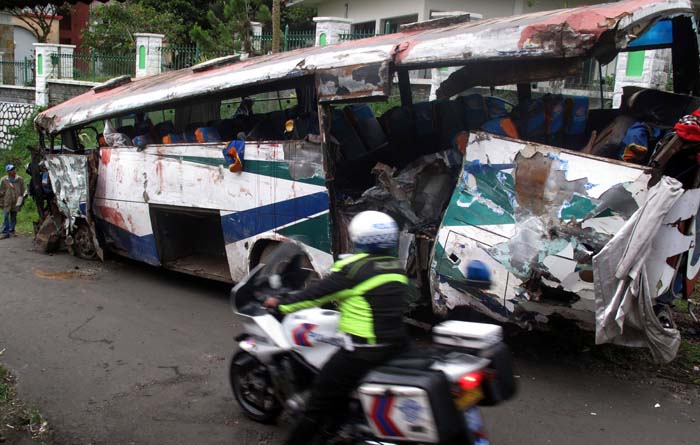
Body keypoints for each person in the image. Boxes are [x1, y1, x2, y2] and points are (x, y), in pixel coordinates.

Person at [264, 210, 409, 445]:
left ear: (358, 238)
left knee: (316, 405)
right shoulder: (396, 267)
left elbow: (313, 296)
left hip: (364, 351)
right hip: (399, 344)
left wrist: (280, 305)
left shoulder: (353, 270)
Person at [0, 164, 26, 239]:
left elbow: (22, 190)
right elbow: (1, 192)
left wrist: (22, 201)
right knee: (5, 216)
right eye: (11, 170)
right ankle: (5, 232)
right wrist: (1, 202)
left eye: (14, 169)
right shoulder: (4, 180)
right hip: (7, 201)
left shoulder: (19, 179)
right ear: (8, 172)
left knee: (13, 216)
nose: (13, 171)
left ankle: (11, 230)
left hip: (16, 201)